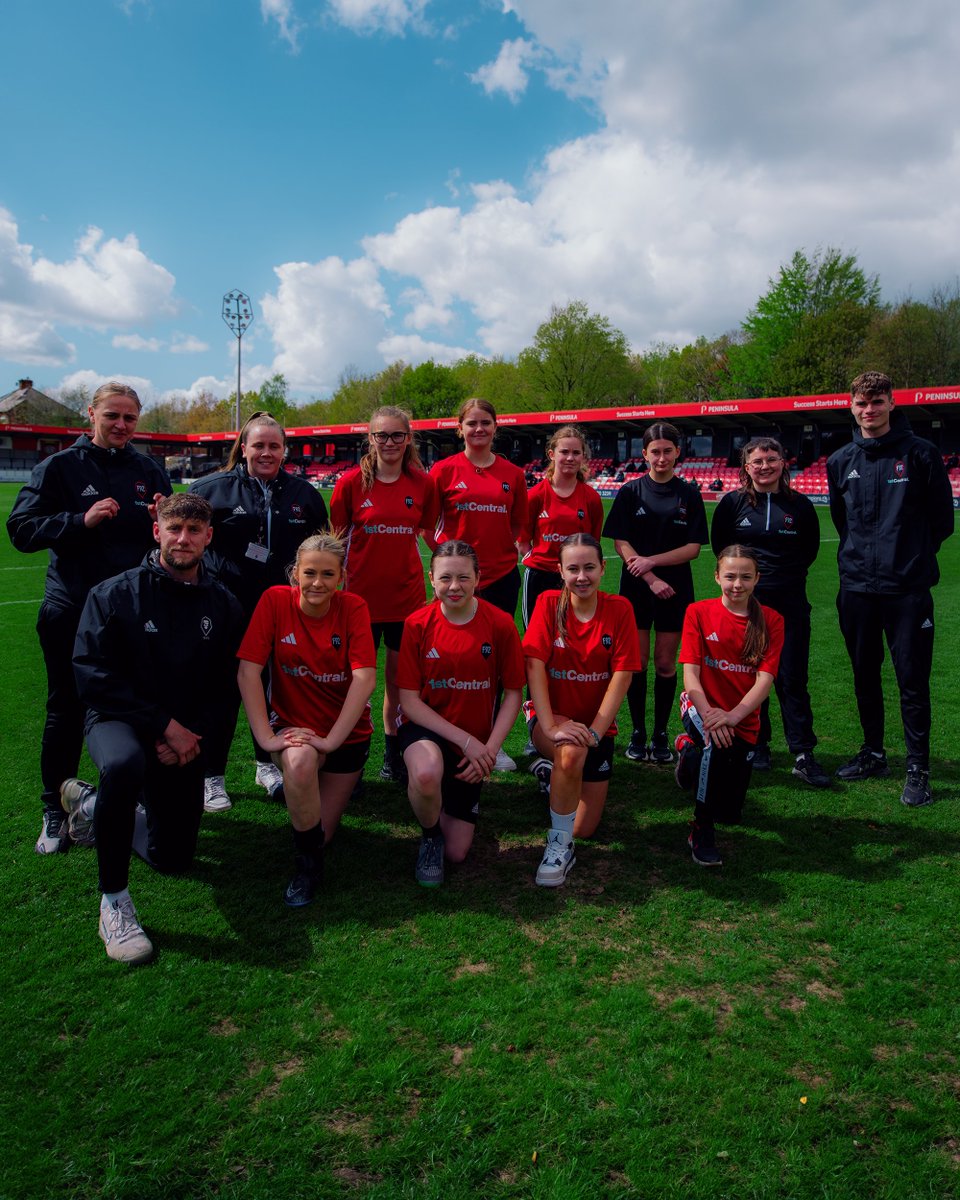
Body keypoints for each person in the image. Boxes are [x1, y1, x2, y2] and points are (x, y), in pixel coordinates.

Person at [65, 494, 245, 963]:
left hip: (183, 735)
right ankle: (113, 903)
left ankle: (90, 803)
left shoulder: (223, 602)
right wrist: (164, 726)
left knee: (173, 859)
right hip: (119, 721)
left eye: (193, 530)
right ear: (157, 531)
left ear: (209, 537)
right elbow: (92, 675)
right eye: (174, 529)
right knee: (124, 766)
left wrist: (191, 732)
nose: (182, 539)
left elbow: (227, 687)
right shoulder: (114, 594)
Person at [7, 381, 171, 856]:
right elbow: (20, 530)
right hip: (72, 611)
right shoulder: (58, 467)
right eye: (112, 416)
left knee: (135, 705)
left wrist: (162, 521)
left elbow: (169, 535)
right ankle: (56, 811)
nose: (121, 425)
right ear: (91, 415)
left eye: (130, 418)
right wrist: (79, 520)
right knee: (66, 709)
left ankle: (127, 799)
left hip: (134, 615)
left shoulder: (148, 470)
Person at [827, 371, 954, 807]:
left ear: (891, 403)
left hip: (908, 590)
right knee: (864, 674)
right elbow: (842, 524)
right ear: (852, 407)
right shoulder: (841, 460)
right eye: (861, 403)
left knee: (912, 680)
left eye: (877, 401)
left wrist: (910, 558)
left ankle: (918, 767)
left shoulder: (921, 454)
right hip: (858, 588)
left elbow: (942, 521)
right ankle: (874, 753)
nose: (869, 410)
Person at [190, 411, 328, 811]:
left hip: (282, 612)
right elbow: (182, 537)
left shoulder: (304, 494)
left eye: (274, 445)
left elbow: (320, 551)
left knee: (272, 691)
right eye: (259, 445)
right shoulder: (211, 490)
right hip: (223, 611)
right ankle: (211, 776)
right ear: (244, 447)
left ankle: (265, 765)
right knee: (221, 693)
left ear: (284, 450)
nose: (266, 452)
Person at [237, 532, 376, 907]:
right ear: (294, 573)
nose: (318, 583)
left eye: (328, 575)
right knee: (299, 766)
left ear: (341, 578)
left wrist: (331, 741)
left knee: (322, 830)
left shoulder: (354, 607)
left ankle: (322, 788)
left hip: (345, 739)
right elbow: (248, 672)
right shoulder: (274, 601)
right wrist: (267, 740)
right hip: (294, 730)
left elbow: (365, 678)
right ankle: (308, 869)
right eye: (310, 573)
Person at [396, 541, 525, 887]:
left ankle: (445, 808)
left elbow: (514, 692)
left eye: (464, 578)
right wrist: (466, 741)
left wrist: (489, 750)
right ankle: (429, 836)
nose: (454, 586)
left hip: (476, 746)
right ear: (431, 579)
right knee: (425, 775)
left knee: (457, 854)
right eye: (446, 578)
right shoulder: (416, 624)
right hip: (427, 729)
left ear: (478, 578)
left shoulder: (499, 624)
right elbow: (408, 701)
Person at [710, 437, 829, 787]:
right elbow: (722, 549)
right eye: (757, 461)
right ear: (746, 466)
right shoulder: (732, 504)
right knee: (747, 675)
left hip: (790, 603)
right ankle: (756, 743)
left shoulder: (801, 506)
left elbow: (808, 551)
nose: (765, 466)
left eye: (772, 459)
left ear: (783, 463)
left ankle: (803, 752)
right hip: (746, 606)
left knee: (792, 677)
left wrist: (780, 579)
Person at [523, 534, 640, 886]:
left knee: (585, 828)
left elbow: (622, 676)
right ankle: (559, 846)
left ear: (603, 568)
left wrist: (595, 731)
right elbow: (534, 666)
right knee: (570, 752)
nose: (582, 576)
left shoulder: (619, 608)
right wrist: (550, 726)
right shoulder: (547, 603)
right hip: (550, 719)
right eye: (573, 568)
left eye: (589, 567)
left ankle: (550, 774)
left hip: (596, 729)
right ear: (560, 571)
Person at [330, 406, 439, 785]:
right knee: (354, 683)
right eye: (381, 435)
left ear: (408, 438)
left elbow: (429, 535)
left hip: (406, 601)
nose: (389, 442)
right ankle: (350, 757)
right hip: (357, 600)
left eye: (397, 435)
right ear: (370, 438)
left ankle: (392, 755)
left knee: (397, 683)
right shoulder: (349, 484)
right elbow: (336, 543)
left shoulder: (423, 485)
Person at [428, 398, 529, 771]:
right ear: (460, 428)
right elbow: (428, 525)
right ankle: (450, 735)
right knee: (453, 657)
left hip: (501, 578)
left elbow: (520, 525)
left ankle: (491, 742)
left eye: (486, 422)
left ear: (496, 427)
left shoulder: (512, 474)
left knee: (495, 661)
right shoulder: (443, 470)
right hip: (456, 584)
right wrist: (447, 563)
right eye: (471, 423)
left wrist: (505, 554)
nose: (479, 429)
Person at [602, 421, 708, 765]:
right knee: (635, 663)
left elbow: (693, 547)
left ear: (678, 452)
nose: (661, 458)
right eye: (654, 451)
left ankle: (660, 733)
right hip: (637, 588)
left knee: (665, 664)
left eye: (667, 451)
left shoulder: (689, 494)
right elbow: (620, 541)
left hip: (675, 589)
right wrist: (649, 576)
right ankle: (637, 733)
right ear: (644, 454)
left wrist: (651, 562)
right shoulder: (630, 492)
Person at [675, 545, 784, 867]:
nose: (737, 584)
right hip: (700, 707)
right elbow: (690, 675)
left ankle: (687, 751)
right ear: (717, 576)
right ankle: (700, 828)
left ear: (757, 579)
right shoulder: (698, 612)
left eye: (746, 577)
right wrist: (710, 716)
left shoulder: (772, 621)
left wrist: (734, 717)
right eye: (730, 576)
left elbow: (765, 680)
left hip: (742, 719)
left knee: (731, 812)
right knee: (714, 747)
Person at [517, 424, 604, 628]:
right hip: (540, 576)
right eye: (564, 452)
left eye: (576, 452)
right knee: (537, 637)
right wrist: (542, 562)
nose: (570, 458)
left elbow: (593, 543)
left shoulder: (591, 498)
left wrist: (575, 570)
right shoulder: (536, 495)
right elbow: (523, 543)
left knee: (574, 634)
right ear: (552, 454)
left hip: (576, 578)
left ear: (583, 456)